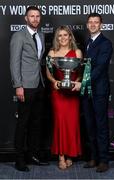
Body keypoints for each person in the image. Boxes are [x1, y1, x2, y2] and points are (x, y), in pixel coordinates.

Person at [10, 6, 48, 171]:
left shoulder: (40, 34)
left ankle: (33, 155)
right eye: (31, 16)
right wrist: (18, 86)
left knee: (36, 123)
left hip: (39, 84)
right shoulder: (19, 36)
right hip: (25, 85)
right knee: (23, 123)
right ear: (26, 18)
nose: (35, 19)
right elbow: (14, 62)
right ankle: (19, 159)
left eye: (37, 16)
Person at [74, 13, 113, 172]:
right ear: (87, 24)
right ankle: (93, 157)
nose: (93, 24)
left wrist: (81, 82)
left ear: (101, 25)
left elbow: (99, 69)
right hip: (86, 92)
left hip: (99, 91)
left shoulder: (105, 43)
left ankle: (103, 160)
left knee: (101, 125)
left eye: (96, 22)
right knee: (89, 125)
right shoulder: (87, 43)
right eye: (90, 22)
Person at [46, 26, 82, 170]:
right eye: (59, 35)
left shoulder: (77, 52)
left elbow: (80, 72)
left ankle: (69, 154)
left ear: (70, 36)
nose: (62, 38)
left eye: (65, 35)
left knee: (71, 123)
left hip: (72, 92)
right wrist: (54, 82)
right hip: (58, 93)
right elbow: (48, 73)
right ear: (57, 38)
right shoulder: (52, 52)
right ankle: (61, 156)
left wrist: (76, 81)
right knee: (60, 123)